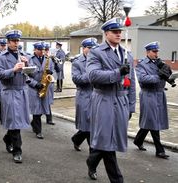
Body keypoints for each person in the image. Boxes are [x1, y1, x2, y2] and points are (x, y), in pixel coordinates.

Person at [86, 18, 136, 182]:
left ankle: (92, 160)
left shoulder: (127, 54)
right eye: (115, 32)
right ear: (106, 33)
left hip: (121, 101)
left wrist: (131, 105)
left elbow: (132, 82)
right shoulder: (96, 52)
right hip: (104, 100)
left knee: (109, 139)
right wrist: (117, 73)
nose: (118, 34)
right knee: (108, 142)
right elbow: (92, 75)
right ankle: (117, 180)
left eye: (120, 31)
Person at [0, 30, 30, 163]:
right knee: (15, 121)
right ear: (8, 42)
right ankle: (17, 151)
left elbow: (31, 73)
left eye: (18, 41)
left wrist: (27, 65)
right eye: (14, 41)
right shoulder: (1, 57)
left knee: (18, 120)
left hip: (22, 91)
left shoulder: (24, 55)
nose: (16, 43)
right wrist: (13, 70)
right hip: (9, 91)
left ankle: (7, 138)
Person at [133, 41, 170, 159]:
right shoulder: (141, 64)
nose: (156, 53)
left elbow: (167, 75)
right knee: (153, 121)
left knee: (151, 119)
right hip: (148, 94)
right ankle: (159, 150)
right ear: (148, 52)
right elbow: (143, 79)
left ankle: (138, 140)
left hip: (159, 94)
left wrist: (168, 73)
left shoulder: (159, 63)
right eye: (154, 51)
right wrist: (159, 76)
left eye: (157, 51)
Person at [71, 37, 97, 151]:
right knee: (87, 124)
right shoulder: (77, 62)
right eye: (89, 48)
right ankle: (93, 149)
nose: (91, 50)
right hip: (84, 95)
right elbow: (76, 79)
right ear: (83, 49)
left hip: (96, 95)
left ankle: (77, 139)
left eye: (93, 48)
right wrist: (91, 75)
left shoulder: (98, 60)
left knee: (93, 123)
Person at [28, 42, 55, 139]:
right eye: (39, 50)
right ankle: (38, 131)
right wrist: (35, 84)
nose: (41, 52)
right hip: (33, 87)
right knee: (37, 111)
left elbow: (52, 71)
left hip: (44, 86)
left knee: (42, 109)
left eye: (43, 50)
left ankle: (34, 124)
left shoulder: (48, 60)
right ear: (35, 49)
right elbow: (26, 76)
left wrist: (50, 73)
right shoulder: (29, 59)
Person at [44, 43, 57, 125]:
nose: (46, 52)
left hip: (49, 83)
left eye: (47, 50)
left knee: (47, 101)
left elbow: (58, 69)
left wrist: (55, 61)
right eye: (45, 50)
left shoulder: (50, 59)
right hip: (41, 82)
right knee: (40, 102)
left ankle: (49, 119)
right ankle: (35, 121)